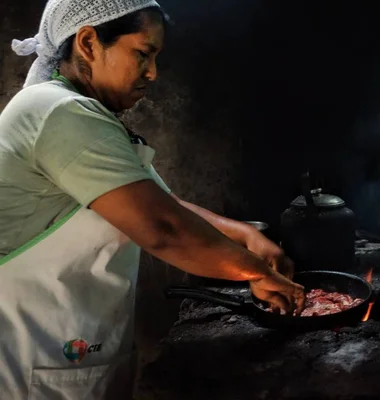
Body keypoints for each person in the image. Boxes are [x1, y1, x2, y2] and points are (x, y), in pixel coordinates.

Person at [0, 0, 305, 398]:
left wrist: (245, 235)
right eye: (142, 54)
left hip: (73, 349)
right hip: (30, 362)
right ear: (89, 42)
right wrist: (258, 273)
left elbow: (161, 203)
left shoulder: (82, 116)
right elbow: (164, 229)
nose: (153, 73)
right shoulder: (56, 111)